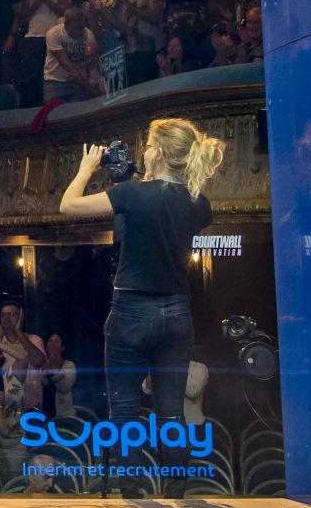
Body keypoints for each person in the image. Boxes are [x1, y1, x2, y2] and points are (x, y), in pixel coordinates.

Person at [57, 118, 226, 456]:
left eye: (149, 146)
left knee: (123, 413)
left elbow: (68, 204)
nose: (144, 151)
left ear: (160, 152)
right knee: (172, 414)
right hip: (177, 313)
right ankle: (177, 489)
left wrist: (87, 168)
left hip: (132, 312)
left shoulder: (132, 194)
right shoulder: (200, 204)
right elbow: (164, 203)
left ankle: (129, 490)